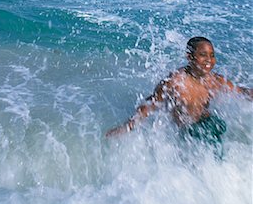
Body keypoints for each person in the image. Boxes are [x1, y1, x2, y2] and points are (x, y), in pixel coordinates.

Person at [106, 37, 253, 142]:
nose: (209, 60)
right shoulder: (176, 81)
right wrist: (128, 126)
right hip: (187, 130)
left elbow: (241, 92)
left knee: (217, 137)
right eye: (203, 55)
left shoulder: (214, 80)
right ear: (190, 57)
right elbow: (151, 103)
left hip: (209, 124)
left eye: (212, 55)